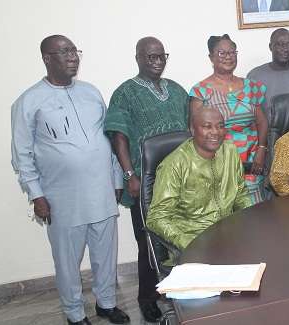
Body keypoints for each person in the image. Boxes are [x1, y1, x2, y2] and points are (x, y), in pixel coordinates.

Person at [11, 35, 129, 325]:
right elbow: (21, 155)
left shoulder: (91, 92)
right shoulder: (28, 101)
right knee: (67, 262)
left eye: (74, 50)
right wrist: (37, 195)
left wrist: (116, 178)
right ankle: (75, 314)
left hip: (101, 191)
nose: (73, 56)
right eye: (64, 52)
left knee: (105, 254)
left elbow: (108, 139)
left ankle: (107, 303)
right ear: (47, 58)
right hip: (61, 198)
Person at [104, 37, 188, 322]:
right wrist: (130, 175)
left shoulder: (177, 90)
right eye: (150, 56)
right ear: (138, 57)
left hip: (180, 179)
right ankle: (148, 298)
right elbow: (119, 137)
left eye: (161, 55)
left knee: (180, 237)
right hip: (146, 182)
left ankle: (180, 291)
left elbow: (190, 132)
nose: (157, 61)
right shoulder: (124, 93)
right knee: (149, 244)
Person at [146, 106, 252, 255]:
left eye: (220, 126)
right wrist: (188, 244)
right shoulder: (175, 164)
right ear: (192, 129)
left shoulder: (230, 152)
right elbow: (156, 218)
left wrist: (251, 222)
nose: (215, 132)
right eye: (207, 126)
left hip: (229, 237)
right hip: (194, 242)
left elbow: (241, 194)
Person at [190, 34, 269, 204]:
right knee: (226, 221)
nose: (228, 57)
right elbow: (195, 131)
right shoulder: (200, 91)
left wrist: (262, 150)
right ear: (211, 57)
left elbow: (262, 121)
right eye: (222, 53)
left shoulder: (251, 86)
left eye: (232, 52)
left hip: (251, 163)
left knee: (256, 218)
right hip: (218, 164)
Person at [247, 28, 289, 113]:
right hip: (267, 126)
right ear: (270, 47)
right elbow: (250, 113)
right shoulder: (255, 76)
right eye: (280, 45)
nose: (286, 49)